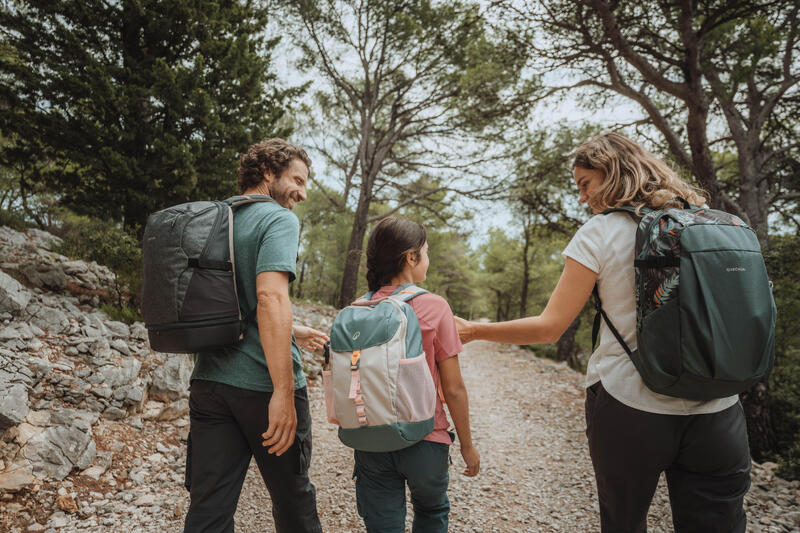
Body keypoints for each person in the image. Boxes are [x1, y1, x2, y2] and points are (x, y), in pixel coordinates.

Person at [456, 133, 751, 533]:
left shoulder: (601, 231)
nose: (582, 198)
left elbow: (549, 328)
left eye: (585, 184)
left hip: (632, 403)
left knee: (623, 523)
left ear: (613, 173)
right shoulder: (710, 223)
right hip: (718, 407)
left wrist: (474, 330)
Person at [183, 138, 326, 533]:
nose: (302, 193)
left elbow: (227, 302)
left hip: (210, 384)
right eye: (297, 180)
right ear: (267, 172)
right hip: (262, 386)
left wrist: (291, 330)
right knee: (293, 502)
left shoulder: (214, 219)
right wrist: (283, 391)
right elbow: (269, 296)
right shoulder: (278, 219)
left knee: (209, 508)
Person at [352, 216, 480, 533]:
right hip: (426, 438)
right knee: (431, 511)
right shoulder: (435, 306)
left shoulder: (357, 308)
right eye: (426, 251)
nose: (428, 258)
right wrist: (467, 445)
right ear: (411, 257)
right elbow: (454, 388)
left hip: (371, 440)